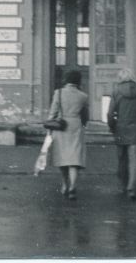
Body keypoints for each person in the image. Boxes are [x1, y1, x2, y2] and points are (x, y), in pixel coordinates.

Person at [107, 68, 136, 200]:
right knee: (133, 160)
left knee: (121, 158)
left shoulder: (116, 92)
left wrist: (112, 127)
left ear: (120, 78)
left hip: (120, 129)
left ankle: (123, 185)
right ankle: (132, 188)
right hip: (135, 129)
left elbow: (110, 113)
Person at [47, 69, 89, 200]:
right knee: (74, 159)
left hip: (61, 125)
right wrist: (83, 125)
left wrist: (49, 127)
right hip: (76, 125)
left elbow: (53, 112)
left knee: (62, 157)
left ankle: (65, 184)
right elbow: (85, 115)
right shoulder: (83, 96)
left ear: (66, 80)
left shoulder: (58, 93)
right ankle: (73, 187)